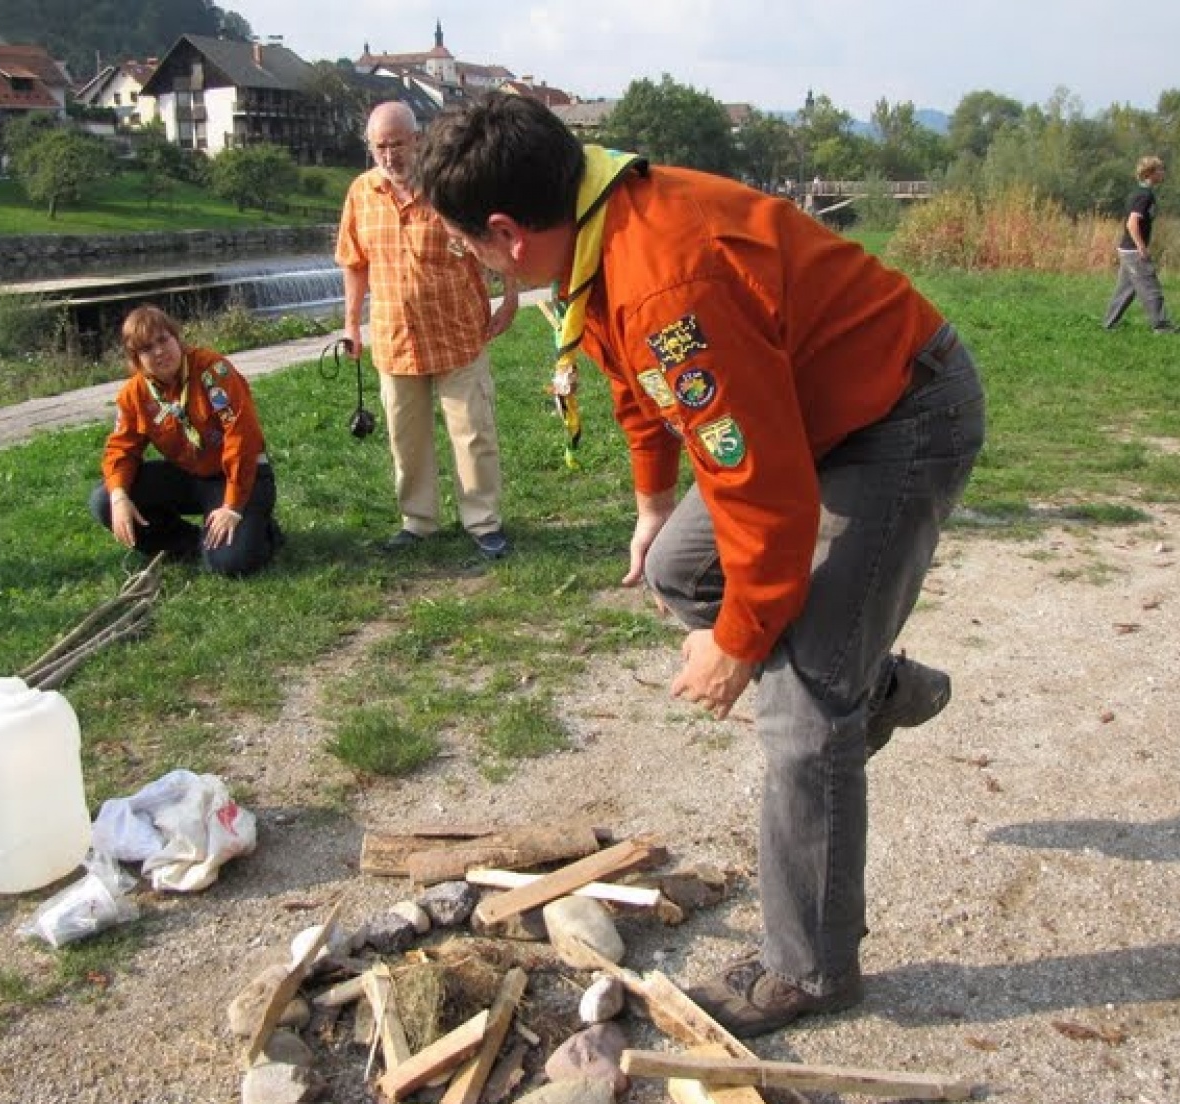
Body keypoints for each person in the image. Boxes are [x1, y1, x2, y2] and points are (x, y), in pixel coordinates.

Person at [415, 92, 986, 1035]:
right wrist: (651, 502)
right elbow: (632, 375)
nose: (473, 261)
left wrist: (739, 641)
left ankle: (809, 970)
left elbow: (768, 495)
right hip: (804, 415)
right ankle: (873, 687)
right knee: (685, 568)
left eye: (468, 245)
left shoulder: (666, 281)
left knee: (801, 714)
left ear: (508, 233)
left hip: (897, 415)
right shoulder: (596, 213)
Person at [335, 100, 520, 560]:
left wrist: (512, 294)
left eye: (397, 144)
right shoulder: (361, 193)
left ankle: (483, 522)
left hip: (457, 332)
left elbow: (495, 241)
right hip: (395, 338)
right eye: (379, 146)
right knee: (405, 436)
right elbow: (353, 264)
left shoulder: (448, 186)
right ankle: (417, 521)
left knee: (473, 433)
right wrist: (350, 325)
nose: (389, 155)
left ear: (417, 140)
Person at [89, 305, 281, 577]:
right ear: (136, 358)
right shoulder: (135, 394)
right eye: (146, 348)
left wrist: (233, 506)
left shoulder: (213, 371)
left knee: (230, 565)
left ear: (176, 338)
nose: (159, 352)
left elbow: (243, 439)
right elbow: (122, 449)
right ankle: (189, 544)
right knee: (104, 499)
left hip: (240, 476)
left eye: (163, 340)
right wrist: (119, 497)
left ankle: (264, 532)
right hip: (190, 475)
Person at [1101, 156, 1178, 333]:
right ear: (1150, 173)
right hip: (1133, 250)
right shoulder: (1144, 195)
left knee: (1125, 290)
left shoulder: (1140, 192)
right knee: (1151, 288)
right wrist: (1141, 247)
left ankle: (1109, 324)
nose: (1163, 173)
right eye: (1160, 170)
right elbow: (1132, 223)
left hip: (1127, 249)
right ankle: (1162, 326)